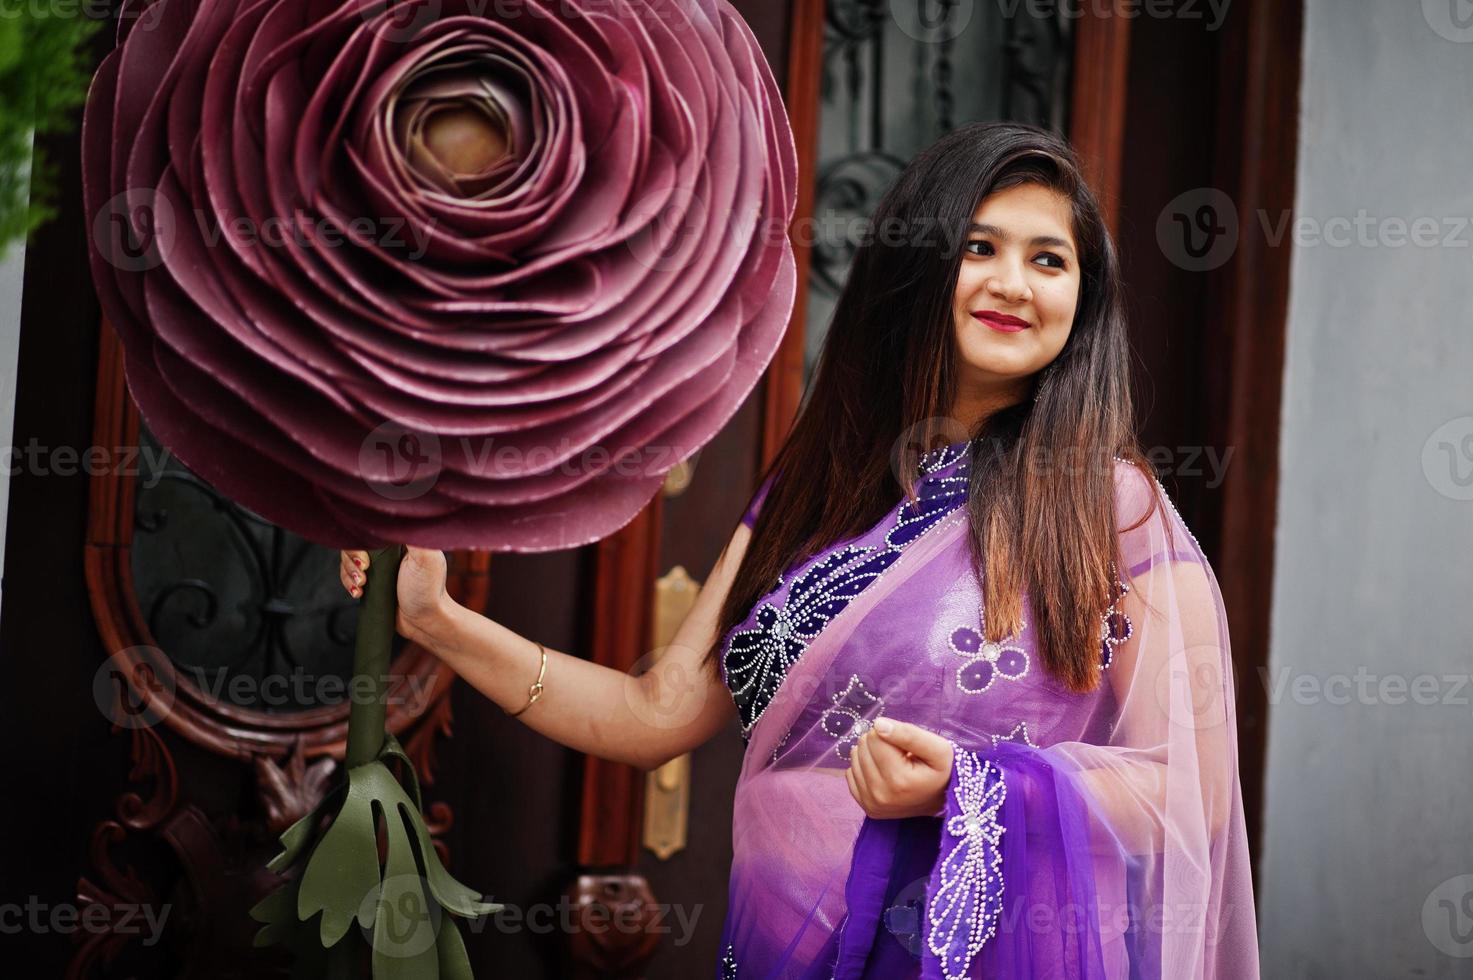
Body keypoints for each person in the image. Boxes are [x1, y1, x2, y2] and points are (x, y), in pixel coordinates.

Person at [338, 122, 1260, 978]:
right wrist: (437, 621)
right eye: (978, 246)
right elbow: (653, 712)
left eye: (1048, 260)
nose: (1013, 284)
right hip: (782, 944)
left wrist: (966, 787)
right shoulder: (813, 490)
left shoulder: (1110, 508)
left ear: (1080, 301)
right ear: (917, 264)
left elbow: (1193, 797)